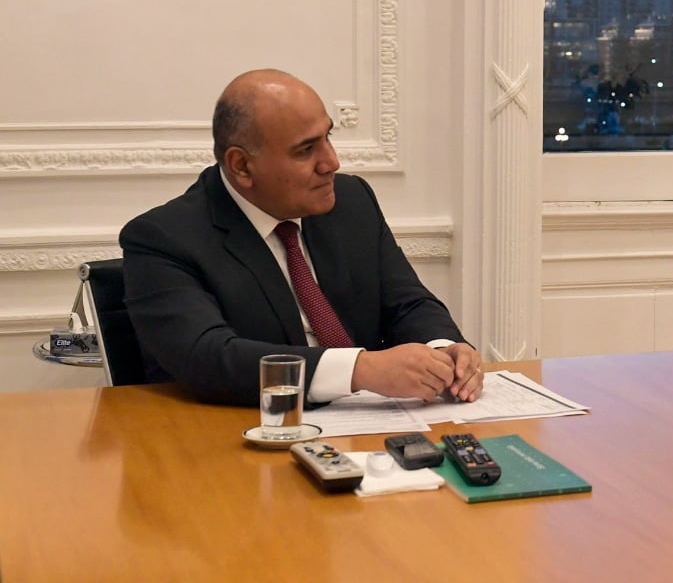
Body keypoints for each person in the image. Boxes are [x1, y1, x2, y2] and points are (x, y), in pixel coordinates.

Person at [120, 69, 484, 407]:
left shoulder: (351, 200)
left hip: (368, 430)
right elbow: (210, 357)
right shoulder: (162, 239)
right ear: (242, 166)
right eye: (305, 150)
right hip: (242, 434)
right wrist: (359, 370)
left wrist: (445, 349)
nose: (332, 163)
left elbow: (408, 303)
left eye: (328, 136)